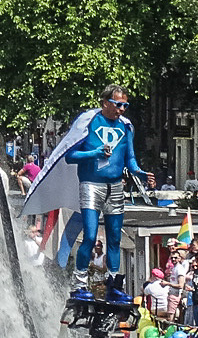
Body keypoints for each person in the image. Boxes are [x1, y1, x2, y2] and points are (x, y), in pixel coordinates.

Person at [59, 87, 150, 302]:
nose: (121, 109)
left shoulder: (126, 127)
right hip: (91, 184)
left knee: (115, 236)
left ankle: (113, 283)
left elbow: (130, 158)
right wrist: (94, 153)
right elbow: (70, 156)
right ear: (105, 102)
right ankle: (79, 282)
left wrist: (140, 173)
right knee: (90, 235)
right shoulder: (88, 123)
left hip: (116, 186)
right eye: (118, 104)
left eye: (125, 105)